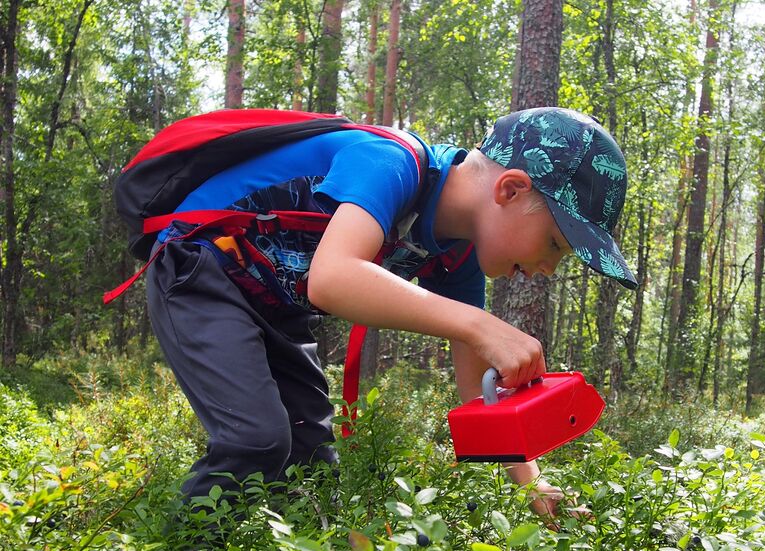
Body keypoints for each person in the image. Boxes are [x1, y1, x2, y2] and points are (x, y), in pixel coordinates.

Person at [145, 107, 638, 526]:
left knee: (310, 459)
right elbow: (333, 278)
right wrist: (478, 324)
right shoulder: (390, 162)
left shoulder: (456, 254)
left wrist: (534, 489)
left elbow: (482, 395)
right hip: (200, 268)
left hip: (274, 306)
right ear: (509, 190)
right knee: (256, 441)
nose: (549, 268)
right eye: (556, 243)